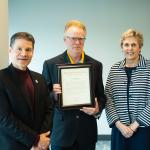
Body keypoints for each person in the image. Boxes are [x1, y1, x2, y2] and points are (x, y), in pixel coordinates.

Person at [42, 20, 106, 150]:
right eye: (73, 38)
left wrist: (97, 109)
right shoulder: (50, 64)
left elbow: (101, 95)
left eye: (81, 38)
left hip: (87, 132)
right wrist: (54, 94)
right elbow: (43, 99)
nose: (77, 42)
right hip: (62, 133)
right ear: (65, 39)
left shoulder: (96, 65)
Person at [0, 32, 53, 150]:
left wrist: (42, 140)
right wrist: (35, 140)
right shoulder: (2, 78)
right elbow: (4, 118)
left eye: (28, 49)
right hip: (14, 145)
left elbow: (49, 109)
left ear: (33, 52)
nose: (24, 54)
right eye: (19, 49)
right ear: (10, 50)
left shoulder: (40, 78)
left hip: (41, 146)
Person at [105, 28, 150, 150]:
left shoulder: (148, 68)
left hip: (144, 130)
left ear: (140, 47)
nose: (130, 48)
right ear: (122, 47)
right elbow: (108, 99)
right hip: (119, 130)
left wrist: (134, 125)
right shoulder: (115, 69)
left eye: (134, 45)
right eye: (126, 45)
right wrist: (119, 125)